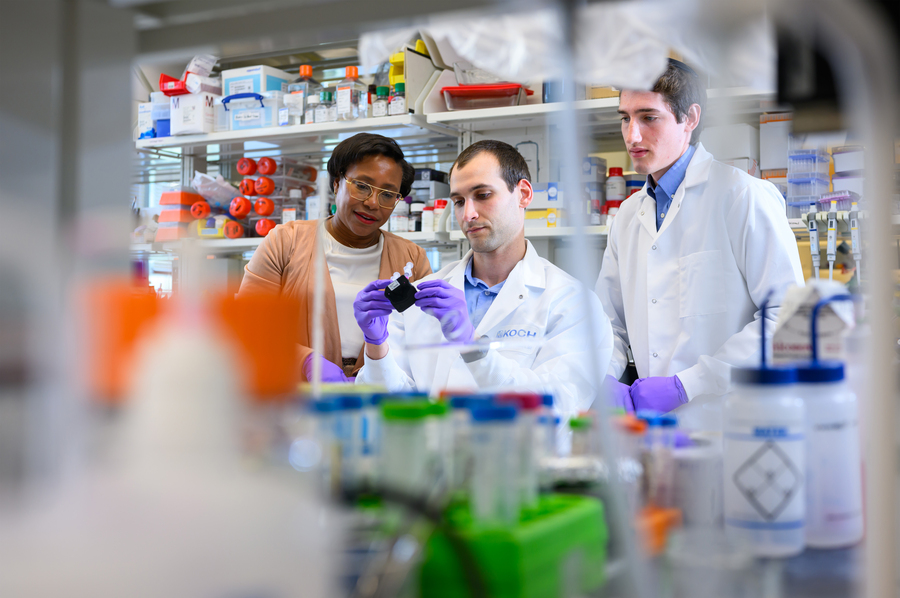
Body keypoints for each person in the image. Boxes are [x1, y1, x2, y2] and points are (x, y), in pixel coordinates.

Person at [595, 59, 804, 413]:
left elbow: (788, 320)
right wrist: (603, 376)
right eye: (624, 118)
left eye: (648, 117)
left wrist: (687, 385)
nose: (632, 135)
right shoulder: (628, 216)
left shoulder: (742, 196)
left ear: (689, 118)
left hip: (730, 419)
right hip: (652, 428)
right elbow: (608, 322)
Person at [353, 140, 613, 417]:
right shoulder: (421, 299)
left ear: (524, 194)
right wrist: (376, 346)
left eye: (484, 195)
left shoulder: (572, 303)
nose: (468, 215)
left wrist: (473, 345)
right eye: (458, 201)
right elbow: (386, 409)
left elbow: (556, 412)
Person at [237, 133, 432, 382]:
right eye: (362, 186)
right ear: (337, 183)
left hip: (380, 401)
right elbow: (249, 325)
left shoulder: (411, 258)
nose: (373, 203)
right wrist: (303, 361)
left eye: (387, 194)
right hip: (295, 399)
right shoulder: (285, 242)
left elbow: (423, 341)